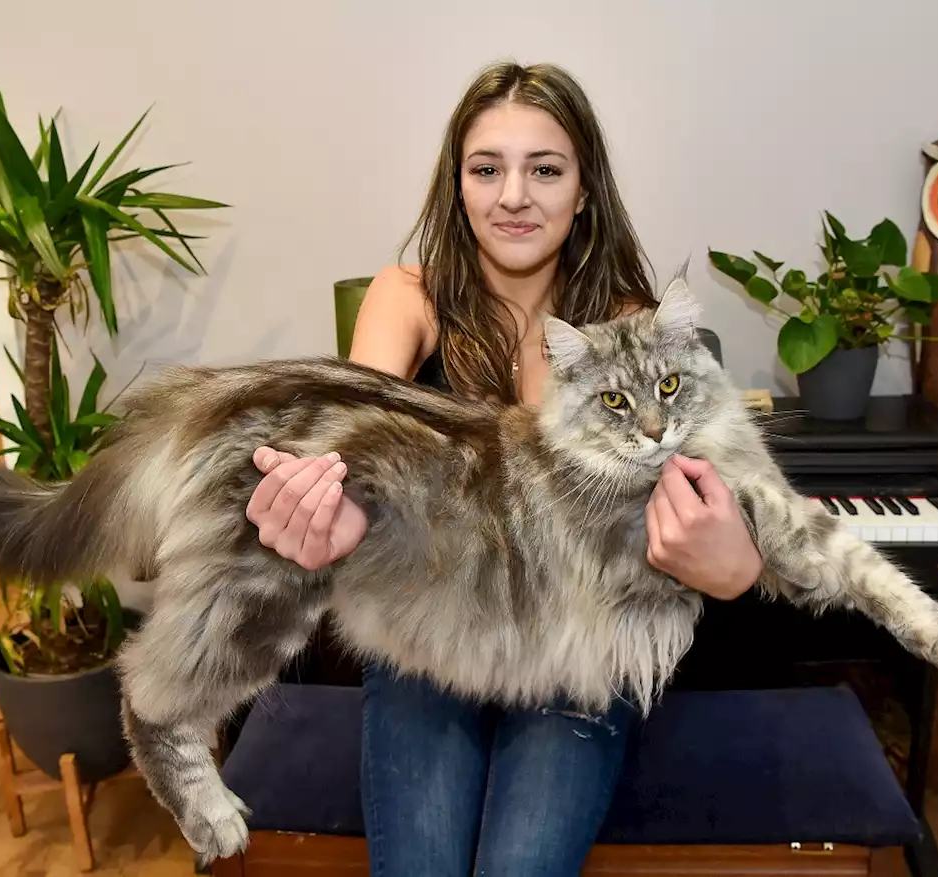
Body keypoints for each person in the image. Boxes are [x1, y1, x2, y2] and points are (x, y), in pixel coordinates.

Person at [244, 61, 763, 877]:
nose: (513, 195)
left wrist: (732, 560)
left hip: (575, 643)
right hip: (428, 628)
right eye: (487, 168)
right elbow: (352, 460)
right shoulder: (405, 296)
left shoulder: (631, 324)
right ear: (458, 184)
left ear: (585, 189)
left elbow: (714, 523)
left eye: (545, 169)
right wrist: (321, 511)